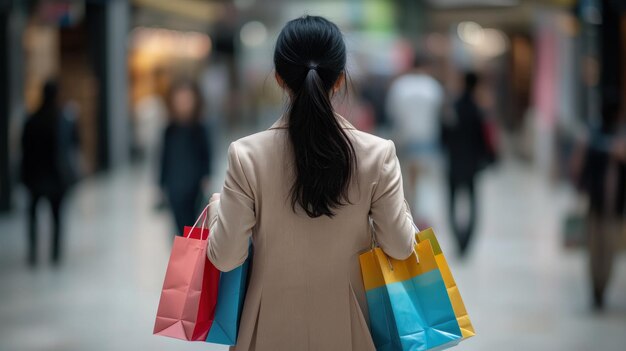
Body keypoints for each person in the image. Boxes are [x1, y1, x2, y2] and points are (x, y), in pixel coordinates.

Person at [203, 16, 416, 351]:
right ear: (339, 79)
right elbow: (402, 247)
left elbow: (226, 257)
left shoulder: (246, 155)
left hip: (265, 331)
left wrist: (217, 208)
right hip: (352, 330)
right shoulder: (378, 154)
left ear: (278, 78)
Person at [21, 80, 74, 266]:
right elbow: (71, 148)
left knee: (33, 216)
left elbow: (24, 151)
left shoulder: (32, 120)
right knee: (57, 217)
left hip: (36, 177)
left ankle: (34, 252)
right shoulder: (63, 120)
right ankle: (55, 253)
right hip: (56, 177)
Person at [385, 53, 444, 219]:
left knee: (403, 178)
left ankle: (407, 212)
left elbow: (392, 112)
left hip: (403, 139)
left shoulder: (400, 86)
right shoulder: (433, 87)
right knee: (424, 179)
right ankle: (420, 214)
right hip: (427, 139)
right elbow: (438, 114)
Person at [579, 102, 625, 310]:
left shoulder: (619, 140)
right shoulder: (595, 139)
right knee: (595, 249)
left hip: (614, 207)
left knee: (607, 250)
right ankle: (596, 289)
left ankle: (602, 288)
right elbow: (585, 169)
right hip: (596, 204)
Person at [442, 72, 489, 256]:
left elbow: (443, 137)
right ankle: (467, 241)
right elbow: (483, 141)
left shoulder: (452, 108)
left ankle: (457, 240)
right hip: (472, 165)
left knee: (452, 203)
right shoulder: (478, 110)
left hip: (453, 162)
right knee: (472, 203)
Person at [159, 80, 211, 233]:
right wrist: (161, 183)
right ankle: (182, 252)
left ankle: (190, 254)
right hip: (174, 186)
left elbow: (206, 154)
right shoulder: (169, 130)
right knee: (178, 224)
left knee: (192, 224)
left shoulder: (199, 129)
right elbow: (164, 158)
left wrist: (206, 176)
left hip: (194, 185)